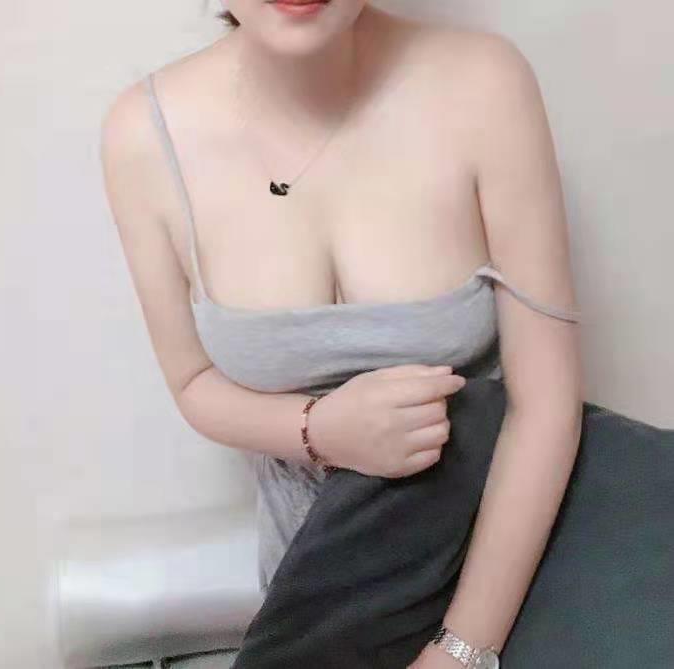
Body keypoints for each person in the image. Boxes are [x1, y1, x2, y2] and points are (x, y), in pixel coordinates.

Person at [100, 2, 583, 667]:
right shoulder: (143, 134)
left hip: (511, 586)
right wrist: (317, 429)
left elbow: (547, 403)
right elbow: (191, 381)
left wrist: (461, 651)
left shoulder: (483, 83)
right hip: (319, 604)